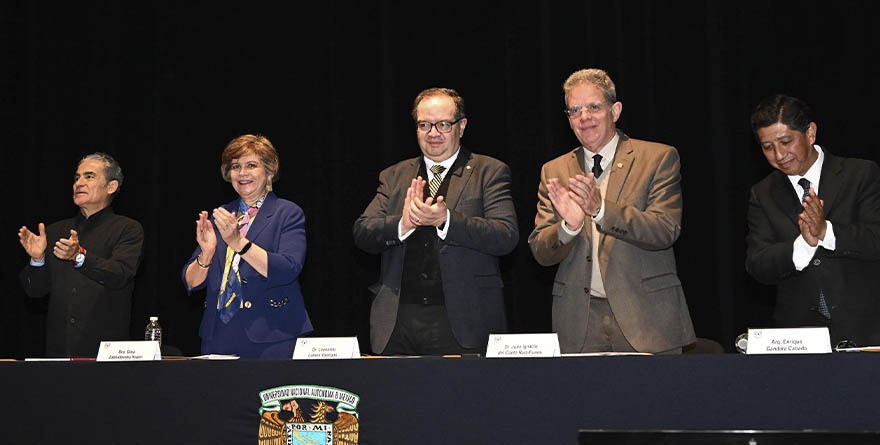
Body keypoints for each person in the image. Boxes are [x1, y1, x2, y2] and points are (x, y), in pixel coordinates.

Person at [529, 68, 695, 354]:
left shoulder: (657, 158)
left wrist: (602, 210)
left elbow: (666, 230)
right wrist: (568, 227)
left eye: (594, 107)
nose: (585, 117)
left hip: (647, 318)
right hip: (578, 323)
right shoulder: (554, 170)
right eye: (575, 110)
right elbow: (541, 252)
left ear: (615, 111)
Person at [353, 87, 518, 356]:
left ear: (461, 127)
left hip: (463, 321)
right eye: (424, 125)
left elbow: (505, 235)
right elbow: (363, 231)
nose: (433, 133)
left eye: (443, 124)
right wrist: (403, 224)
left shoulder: (489, 171)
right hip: (397, 322)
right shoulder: (394, 175)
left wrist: (447, 220)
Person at [746, 94, 880, 346]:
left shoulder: (860, 175)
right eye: (767, 147)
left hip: (867, 330)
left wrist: (826, 231)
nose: (779, 154)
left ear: (810, 133)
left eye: (786, 142)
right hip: (799, 337)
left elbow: (875, 238)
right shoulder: (762, 194)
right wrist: (804, 245)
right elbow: (758, 264)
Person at [182, 134, 312, 359]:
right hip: (218, 336)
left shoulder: (287, 213)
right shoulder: (221, 215)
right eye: (235, 166)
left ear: (269, 171)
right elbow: (191, 283)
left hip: (271, 336)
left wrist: (238, 242)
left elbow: (287, 269)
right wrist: (207, 253)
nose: (242, 173)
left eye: (251, 165)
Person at [18, 152, 144, 357]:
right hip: (58, 353)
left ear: (111, 187)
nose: (79, 183)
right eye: (77, 178)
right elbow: (35, 292)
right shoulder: (54, 231)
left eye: (89, 176)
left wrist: (79, 256)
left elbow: (120, 274)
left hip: (104, 353)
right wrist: (37, 259)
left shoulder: (127, 229)